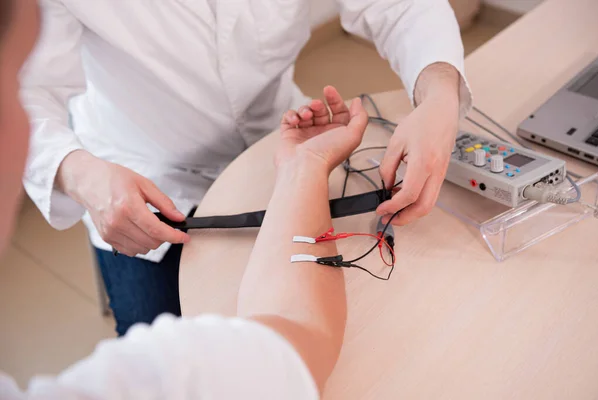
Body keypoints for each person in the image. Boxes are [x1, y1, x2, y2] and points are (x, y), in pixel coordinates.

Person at [20, 0, 471, 335]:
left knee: (368, 321)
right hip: (138, 179)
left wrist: (438, 94)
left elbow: (399, 5)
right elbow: (26, 91)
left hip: (277, 145)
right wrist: (77, 172)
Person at [3, 1, 366, 397]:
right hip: (138, 176)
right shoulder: (160, 379)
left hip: (271, 137)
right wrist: (77, 171)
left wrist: (435, 84)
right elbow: (289, 345)